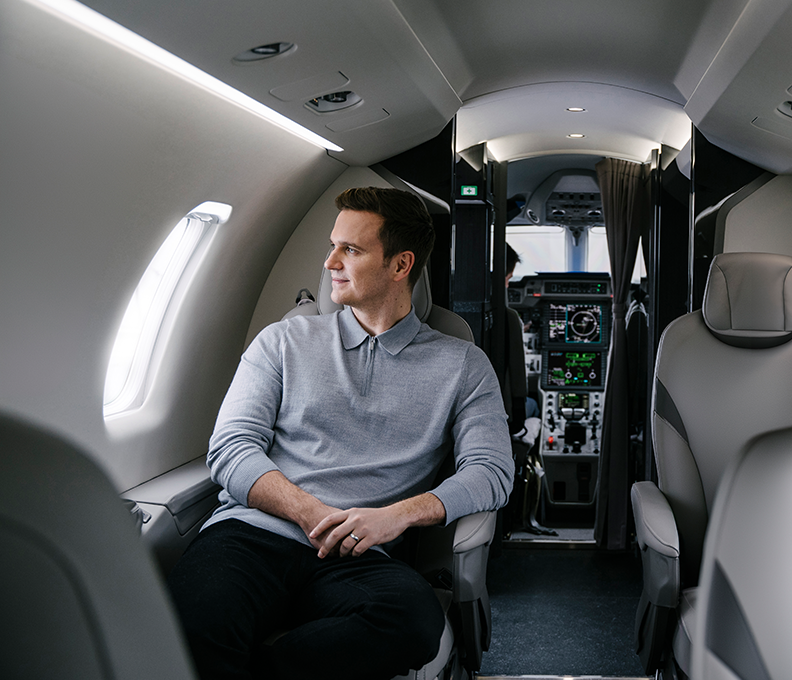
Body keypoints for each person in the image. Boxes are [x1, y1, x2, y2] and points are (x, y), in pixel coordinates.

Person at [167, 187, 514, 680]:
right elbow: (230, 449)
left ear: (400, 266)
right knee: (190, 627)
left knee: (413, 622)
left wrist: (395, 517)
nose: (330, 261)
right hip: (252, 535)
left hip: (360, 553)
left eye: (350, 249)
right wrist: (314, 512)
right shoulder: (283, 340)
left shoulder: (461, 364)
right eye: (332, 246)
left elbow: (492, 472)